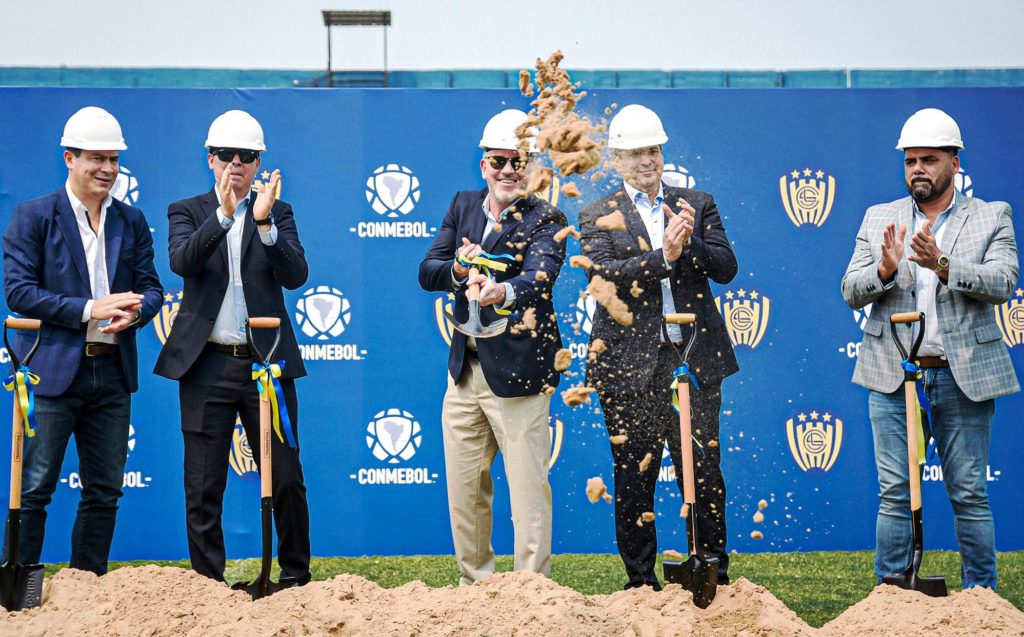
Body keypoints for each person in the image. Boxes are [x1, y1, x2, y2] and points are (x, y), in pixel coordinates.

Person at [841, 108, 1019, 589]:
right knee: (895, 491)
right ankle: (891, 596)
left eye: (929, 159)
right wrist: (883, 270)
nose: (917, 168)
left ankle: (982, 598)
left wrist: (942, 263)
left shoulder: (991, 216)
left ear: (954, 164)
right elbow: (850, 289)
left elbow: (1003, 282)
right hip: (892, 372)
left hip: (963, 373)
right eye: (910, 160)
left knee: (968, 492)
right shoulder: (880, 218)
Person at [579, 104, 738, 590]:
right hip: (629, 368)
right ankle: (640, 582)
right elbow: (605, 278)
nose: (645, 160)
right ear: (617, 159)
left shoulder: (697, 203)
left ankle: (710, 573)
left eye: (652, 150)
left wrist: (688, 243)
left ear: (662, 152)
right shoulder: (596, 214)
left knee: (704, 469)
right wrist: (662, 257)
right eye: (633, 153)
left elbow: (726, 268)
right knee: (633, 475)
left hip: (693, 359)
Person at [1, 106, 163, 574]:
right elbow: (19, 291)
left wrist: (134, 313)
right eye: (97, 158)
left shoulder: (130, 220)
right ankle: (18, 588)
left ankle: (86, 590)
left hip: (112, 372)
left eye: (113, 159)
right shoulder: (33, 216)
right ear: (69, 158)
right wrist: (90, 309)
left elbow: (152, 288)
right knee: (33, 487)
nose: (108, 169)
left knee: (105, 489)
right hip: (52, 372)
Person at [153, 110, 311, 585]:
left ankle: (294, 579)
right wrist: (225, 216)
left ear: (259, 163)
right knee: (202, 484)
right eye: (227, 155)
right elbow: (183, 261)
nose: (237, 164)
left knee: (285, 477)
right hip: (206, 366)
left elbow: (296, 275)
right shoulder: (187, 210)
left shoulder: (278, 212)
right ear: (211, 159)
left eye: (247, 156)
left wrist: (263, 225)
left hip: (266, 364)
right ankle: (208, 587)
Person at [418, 109, 567, 585]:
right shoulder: (463, 204)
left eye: (517, 162)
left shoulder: (548, 218)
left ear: (532, 168)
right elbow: (429, 271)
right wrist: (460, 271)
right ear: (483, 164)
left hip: (522, 374)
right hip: (465, 373)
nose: (507, 171)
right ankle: (474, 589)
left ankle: (530, 594)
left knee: (527, 495)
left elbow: (539, 278)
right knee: (465, 494)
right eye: (498, 161)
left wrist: (500, 291)